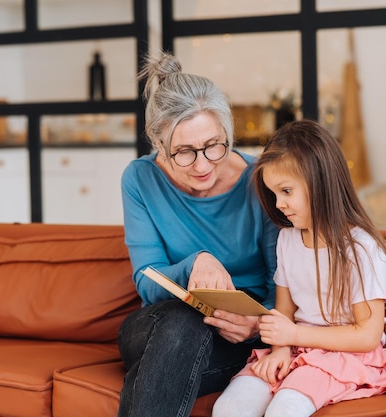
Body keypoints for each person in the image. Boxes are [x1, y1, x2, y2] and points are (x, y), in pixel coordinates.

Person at [212, 120, 386, 417]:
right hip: (296, 348)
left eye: (286, 191)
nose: (279, 204)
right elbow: (283, 313)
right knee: (229, 408)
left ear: (320, 182)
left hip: (347, 356)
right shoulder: (287, 239)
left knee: (284, 410)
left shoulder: (360, 248)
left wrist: (292, 336)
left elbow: (367, 336)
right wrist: (281, 350)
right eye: (273, 194)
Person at [117, 51, 279, 417]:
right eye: (185, 152)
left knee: (173, 356)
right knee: (183, 319)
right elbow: (146, 280)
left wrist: (258, 325)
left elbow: (280, 282)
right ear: (159, 145)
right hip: (156, 325)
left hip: (234, 339)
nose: (203, 165)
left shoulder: (262, 180)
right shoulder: (140, 179)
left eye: (213, 145)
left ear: (228, 133)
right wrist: (195, 265)